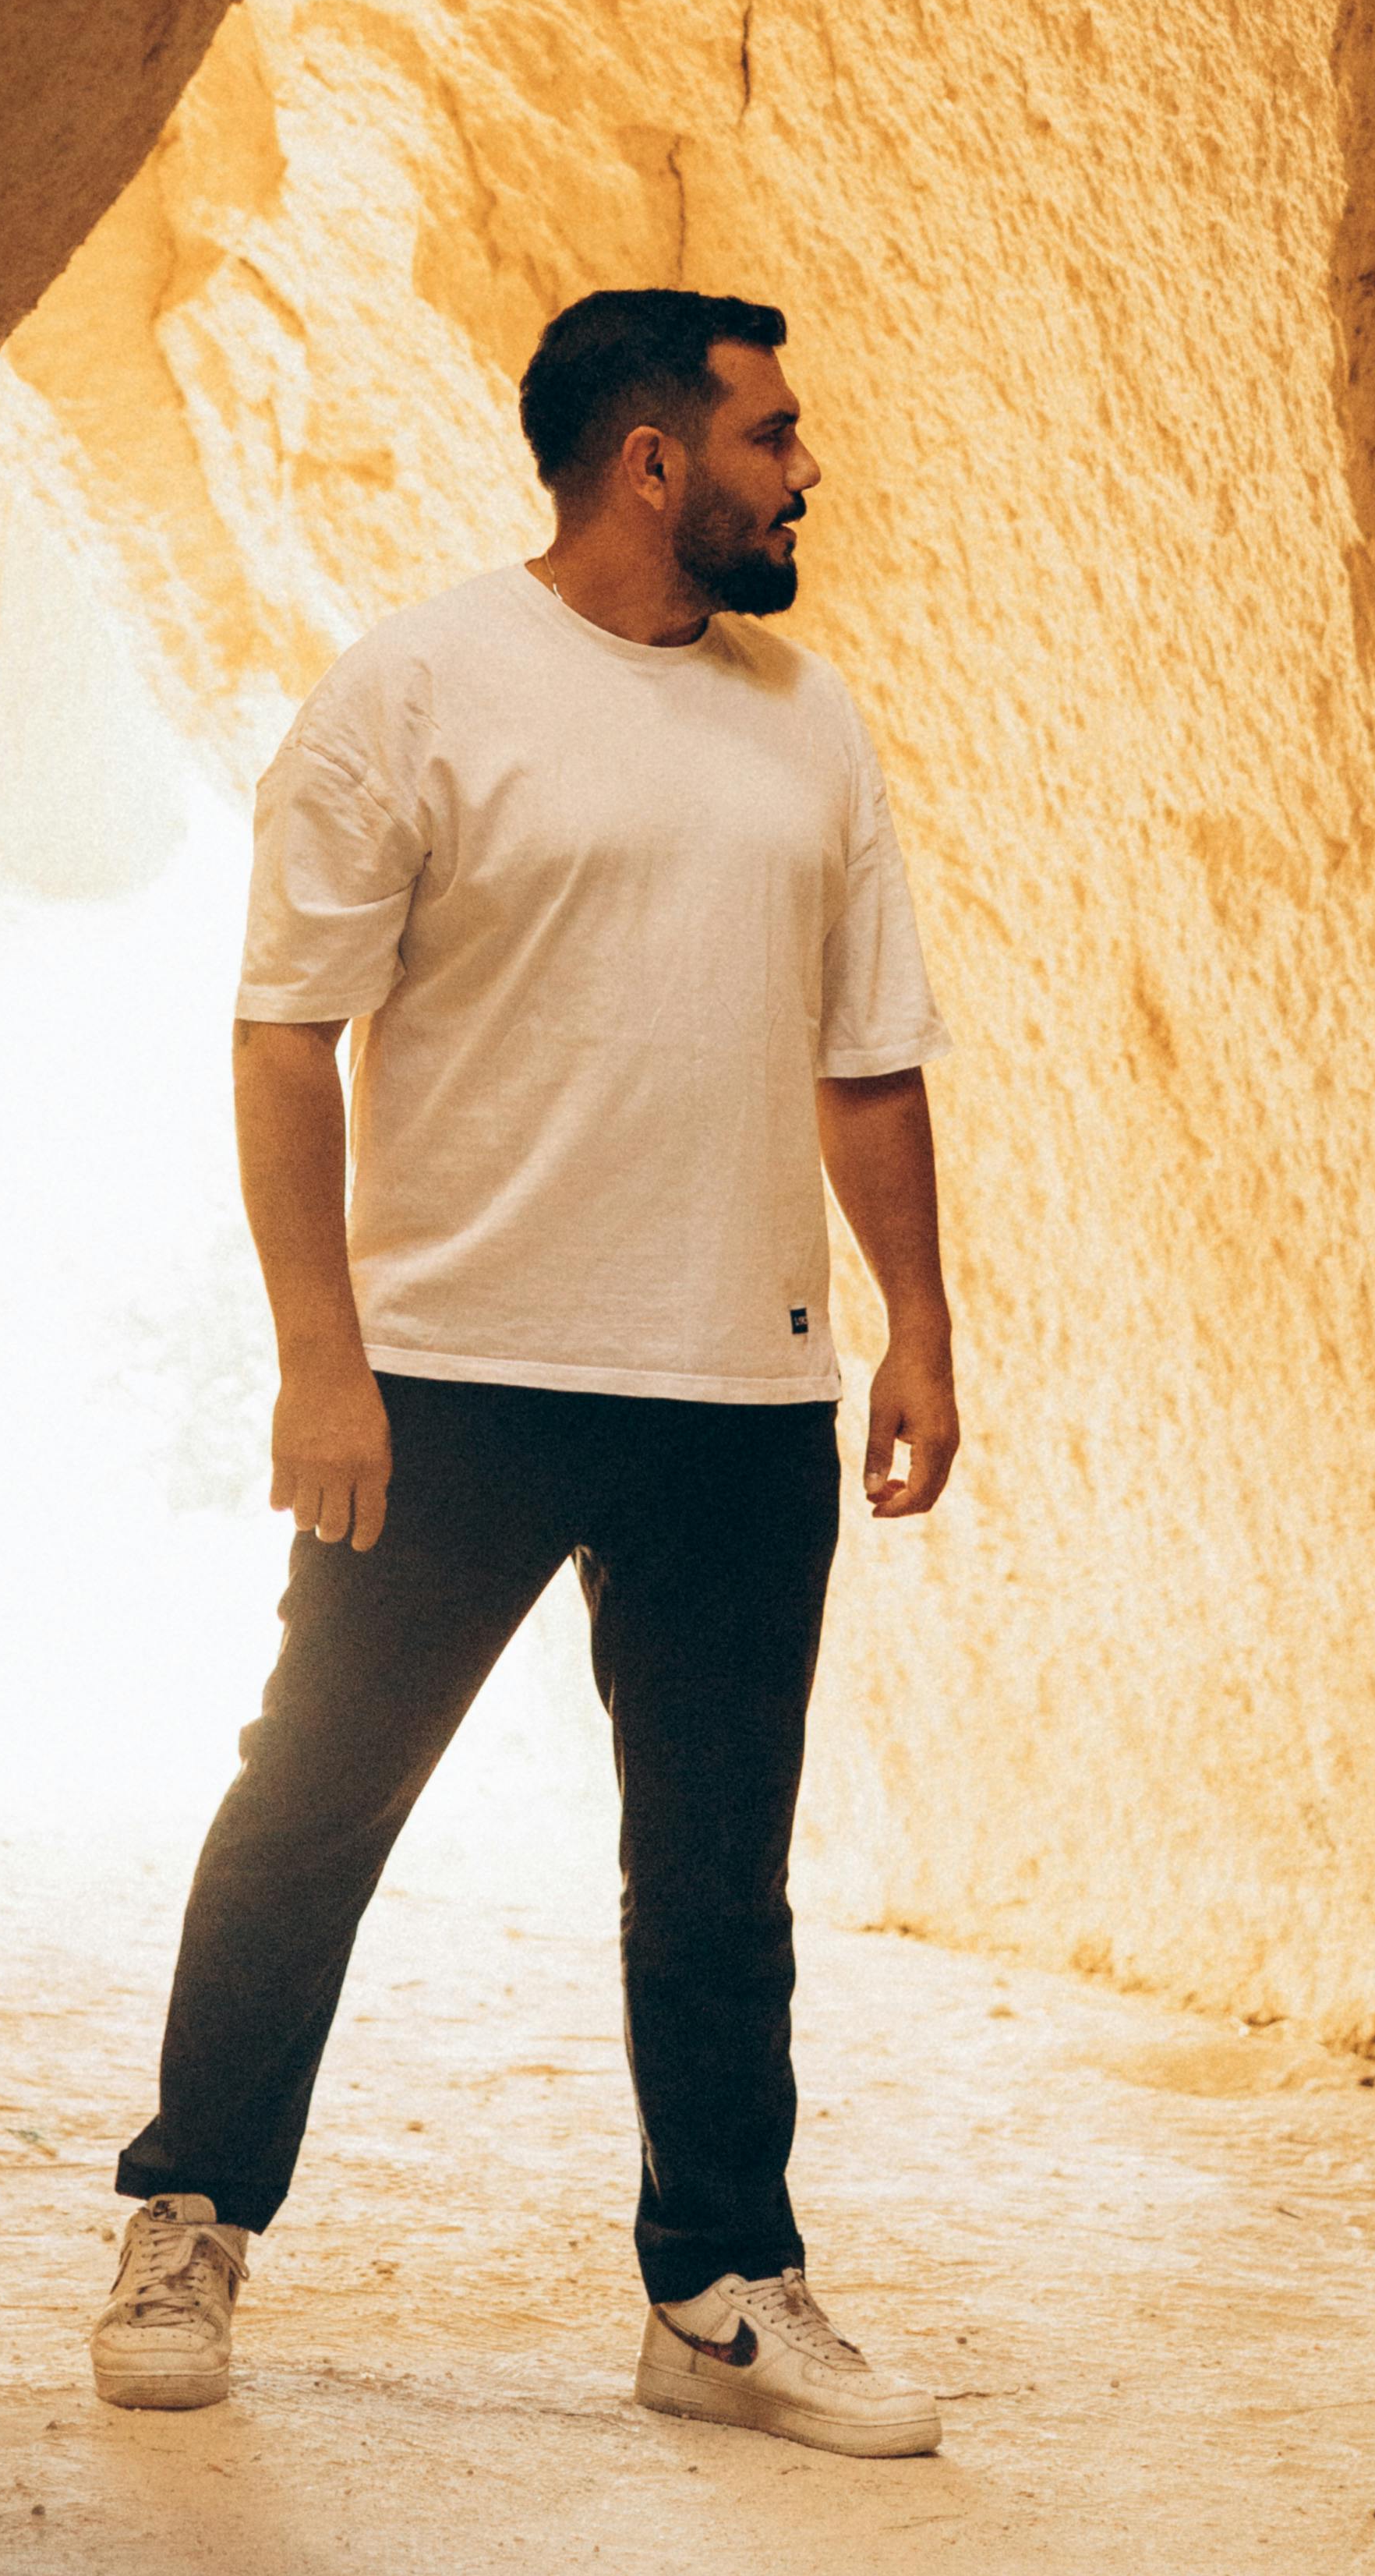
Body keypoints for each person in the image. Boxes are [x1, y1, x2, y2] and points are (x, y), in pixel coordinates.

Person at [92, 285, 962, 2457]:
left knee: (716, 1873)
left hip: (740, 1391)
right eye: (770, 434)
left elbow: (872, 1062)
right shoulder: (421, 689)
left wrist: (917, 1322)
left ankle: (721, 2293)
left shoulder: (810, 723)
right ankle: (188, 2213)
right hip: (456, 1372)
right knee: (315, 1804)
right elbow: (286, 1030)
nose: (803, 470)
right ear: (651, 462)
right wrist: (320, 1355)